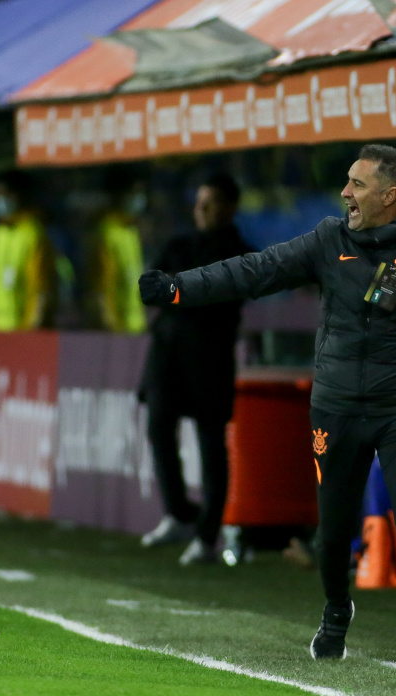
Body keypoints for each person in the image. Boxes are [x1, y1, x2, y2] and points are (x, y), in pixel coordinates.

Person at [139, 144, 396, 669]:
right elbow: (254, 270)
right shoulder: (329, 240)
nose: (345, 193)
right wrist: (178, 287)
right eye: (346, 182)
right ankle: (335, 609)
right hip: (336, 410)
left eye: (358, 185)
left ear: (390, 196)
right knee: (330, 536)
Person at [138, 173, 251, 567]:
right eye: (199, 201)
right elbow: (151, 287)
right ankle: (180, 514)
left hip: (210, 357)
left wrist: (179, 291)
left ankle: (207, 536)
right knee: (158, 426)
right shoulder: (179, 244)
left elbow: (214, 296)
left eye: (211, 201)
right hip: (167, 352)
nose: (200, 209)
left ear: (230, 207)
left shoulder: (241, 253)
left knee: (210, 443)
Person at [0, 170, 57, 331]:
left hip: (25, 330)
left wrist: (34, 327)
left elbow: (41, 287)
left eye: (4, 195)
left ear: (19, 196)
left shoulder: (33, 233)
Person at [86, 168, 148, 333]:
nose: (139, 199)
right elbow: (103, 284)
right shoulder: (107, 232)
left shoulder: (130, 230)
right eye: (134, 193)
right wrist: (109, 322)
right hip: (116, 330)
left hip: (135, 327)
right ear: (119, 195)